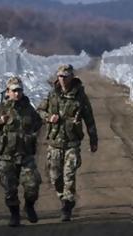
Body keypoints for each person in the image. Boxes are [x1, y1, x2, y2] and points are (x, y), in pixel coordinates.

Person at [37, 64, 98, 221]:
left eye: (65, 76)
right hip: (55, 143)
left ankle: (67, 205)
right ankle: (63, 196)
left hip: (72, 143)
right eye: (60, 76)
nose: (62, 79)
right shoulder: (52, 95)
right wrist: (49, 117)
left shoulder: (80, 96)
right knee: (55, 177)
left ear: (72, 77)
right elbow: (40, 111)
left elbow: (89, 119)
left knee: (69, 175)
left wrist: (93, 140)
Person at [0, 76, 42, 227]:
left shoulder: (28, 108)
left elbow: (37, 122)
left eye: (20, 90)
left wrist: (29, 135)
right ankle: (14, 214)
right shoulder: (1, 109)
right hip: (7, 156)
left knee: (32, 184)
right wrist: (0, 121)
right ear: (8, 92)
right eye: (14, 90)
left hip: (25, 155)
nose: (17, 93)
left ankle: (29, 206)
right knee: (10, 188)